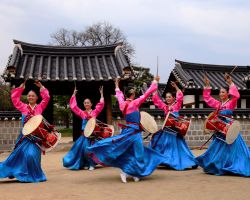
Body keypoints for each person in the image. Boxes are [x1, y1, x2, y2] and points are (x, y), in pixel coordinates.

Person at [87, 76, 167, 183]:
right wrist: (155, 81)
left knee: (126, 151)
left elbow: (119, 95)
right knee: (138, 153)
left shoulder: (122, 104)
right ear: (133, 95)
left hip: (127, 131)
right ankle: (127, 172)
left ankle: (132, 172)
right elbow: (147, 93)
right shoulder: (135, 102)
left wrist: (116, 85)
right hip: (134, 132)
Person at [196, 74, 250, 176]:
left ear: (227, 93)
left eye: (223, 92)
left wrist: (230, 83)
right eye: (220, 92)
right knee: (215, 148)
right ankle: (217, 165)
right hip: (219, 130)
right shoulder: (218, 104)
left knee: (233, 149)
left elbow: (236, 96)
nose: (221, 94)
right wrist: (207, 85)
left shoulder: (231, 103)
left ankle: (230, 165)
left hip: (229, 129)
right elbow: (207, 98)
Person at [0, 80, 50, 182]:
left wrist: (42, 88)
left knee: (32, 156)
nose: (30, 97)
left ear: (37, 98)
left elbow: (47, 98)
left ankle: (35, 175)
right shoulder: (23, 107)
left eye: (33, 96)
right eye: (29, 96)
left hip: (36, 138)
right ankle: (18, 172)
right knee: (17, 156)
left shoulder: (40, 107)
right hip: (24, 137)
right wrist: (20, 88)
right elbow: (14, 98)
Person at [149, 81, 197, 170]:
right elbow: (157, 100)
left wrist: (176, 87)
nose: (167, 99)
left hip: (175, 131)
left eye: (169, 97)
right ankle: (165, 161)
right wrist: (155, 89)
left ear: (173, 98)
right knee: (157, 141)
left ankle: (187, 161)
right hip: (166, 131)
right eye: (166, 97)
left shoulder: (177, 105)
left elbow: (180, 97)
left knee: (179, 147)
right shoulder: (164, 107)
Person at [63, 86, 104, 170]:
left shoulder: (94, 112)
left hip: (93, 135)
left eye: (88, 103)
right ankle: (85, 163)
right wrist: (73, 95)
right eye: (85, 103)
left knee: (92, 150)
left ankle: (92, 164)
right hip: (84, 135)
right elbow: (74, 107)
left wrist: (102, 94)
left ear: (91, 104)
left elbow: (101, 105)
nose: (86, 104)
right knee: (82, 150)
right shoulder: (82, 113)